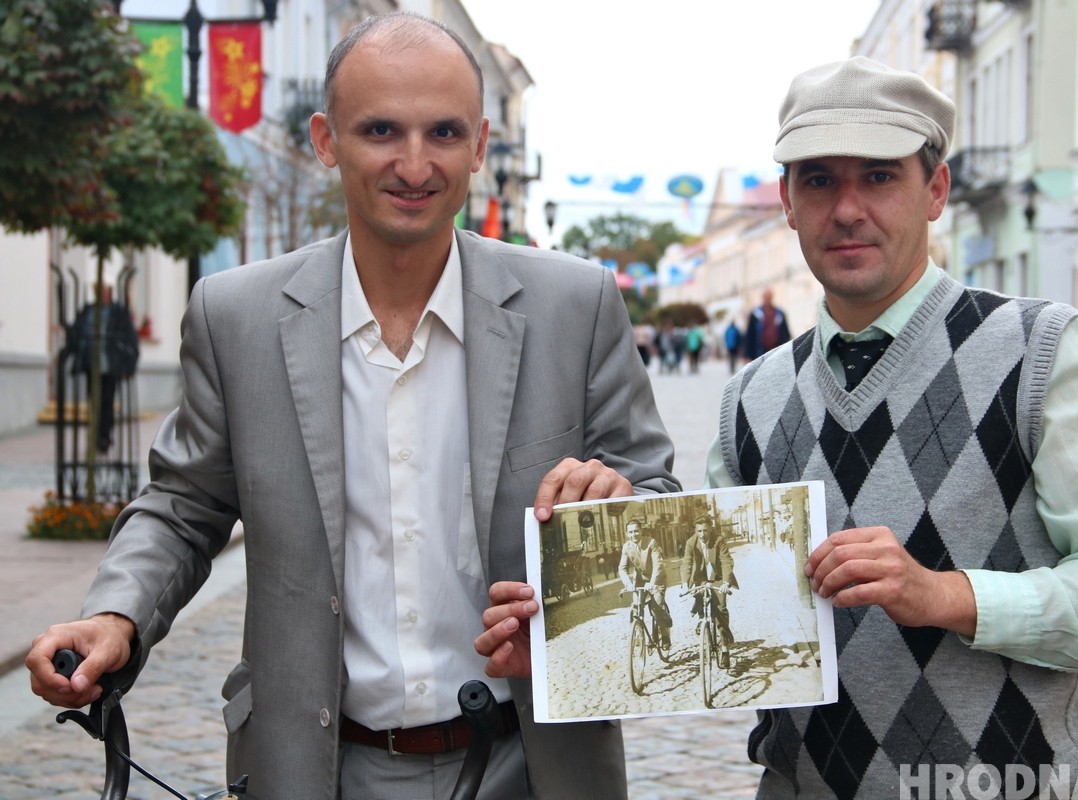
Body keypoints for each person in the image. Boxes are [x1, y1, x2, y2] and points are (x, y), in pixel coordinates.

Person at [26, 12, 678, 800]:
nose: (414, 163)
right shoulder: (236, 317)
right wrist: (117, 616)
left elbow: (655, 498)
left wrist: (620, 513)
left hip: (532, 762)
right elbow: (183, 503)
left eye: (443, 132)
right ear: (326, 140)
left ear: (479, 145)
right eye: (379, 130)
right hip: (317, 766)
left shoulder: (574, 305)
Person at [699, 56, 1078, 798]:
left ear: (936, 190)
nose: (849, 207)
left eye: (879, 176)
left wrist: (948, 596)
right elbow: (722, 623)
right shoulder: (751, 398)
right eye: (819, 179)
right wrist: (568, 624)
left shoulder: (1044, 353)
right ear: (789, 205)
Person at [67, 283, 140, 453]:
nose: (102, 295)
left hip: (110, 365)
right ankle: (96, 435)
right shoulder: (88, 311)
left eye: (105, 292)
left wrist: (128, 363)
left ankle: (104, 437)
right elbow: (77, 332)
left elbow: (128, 337)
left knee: (107, 402)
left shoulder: (118, 312)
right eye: (99, 292)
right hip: (90, 363)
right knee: (93, 400)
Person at [678, 515, 737, 668]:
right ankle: (701, 617)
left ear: (710, 528)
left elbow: (726, 561)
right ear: (695, 531)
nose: (702, 534)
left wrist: (725, 582)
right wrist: (685, 583)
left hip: (717, 578)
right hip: (700, 578)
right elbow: (687, 563)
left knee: (721, 609)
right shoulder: (691, 542)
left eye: (705, 530)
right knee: (698, 594)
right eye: (699, 531)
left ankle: (724, 650)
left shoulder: (718, 540)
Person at [617, 518, 673, 650]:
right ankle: (638, 634)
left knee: (656, 608)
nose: (634, 534)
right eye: (630, 532)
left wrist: (652, 583)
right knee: (636, 607)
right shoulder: (626, 547)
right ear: (626, 534)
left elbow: (658, 566)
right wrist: (628, 583)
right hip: (639, 580)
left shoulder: (651, 543)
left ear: (641, 531)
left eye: (636, 531)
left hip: (656, 579)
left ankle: (665, 635)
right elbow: (622, 568)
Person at [742, 288, 791, 361]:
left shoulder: (779, 313)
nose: (767, 299)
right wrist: (747, 354)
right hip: (760, 351)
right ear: (763, 298)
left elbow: (785, 332)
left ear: (772, 297)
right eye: (766, 297)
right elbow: (750, 334)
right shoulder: (755, 314)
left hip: (776, 349)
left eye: (769, 297)